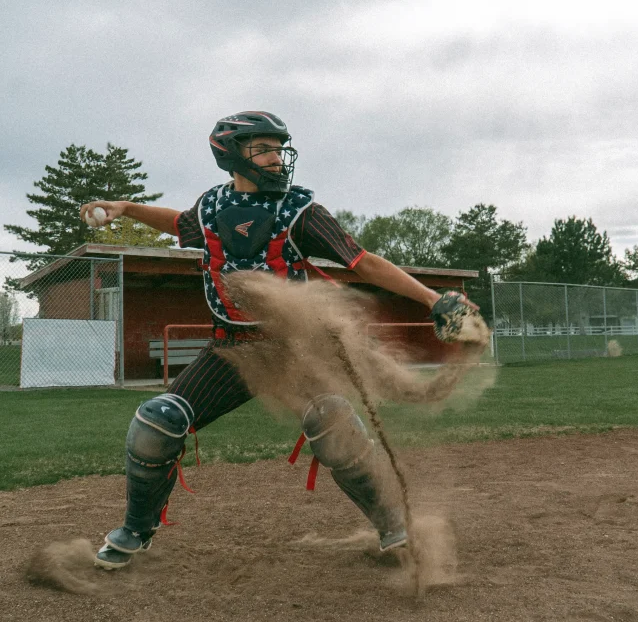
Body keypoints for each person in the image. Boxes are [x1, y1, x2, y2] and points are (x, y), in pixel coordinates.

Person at [81, 111, 475, 570]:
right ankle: (135, 530)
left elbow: (361, 261)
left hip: (292, 351)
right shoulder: (210, 207)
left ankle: (394, 529)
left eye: (278, 149)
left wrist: (431, 300)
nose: (275, 158)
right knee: (156, 423)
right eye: (263, 149)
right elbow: (180, 223)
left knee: (335, 428)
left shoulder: (300, 210)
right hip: (231, 352)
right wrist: (126, 207)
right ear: (230, 154)